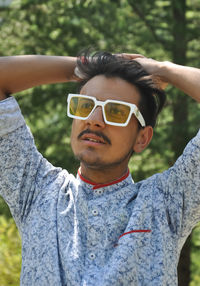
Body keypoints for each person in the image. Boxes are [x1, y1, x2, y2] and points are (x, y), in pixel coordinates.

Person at [0, 50, 199, 286]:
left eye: (116, 111)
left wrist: (163, 69)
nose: (94, 119)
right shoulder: (36, 190)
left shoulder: (166, 203)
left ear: (142, 138)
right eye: (84, 105)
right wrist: (82, 66)